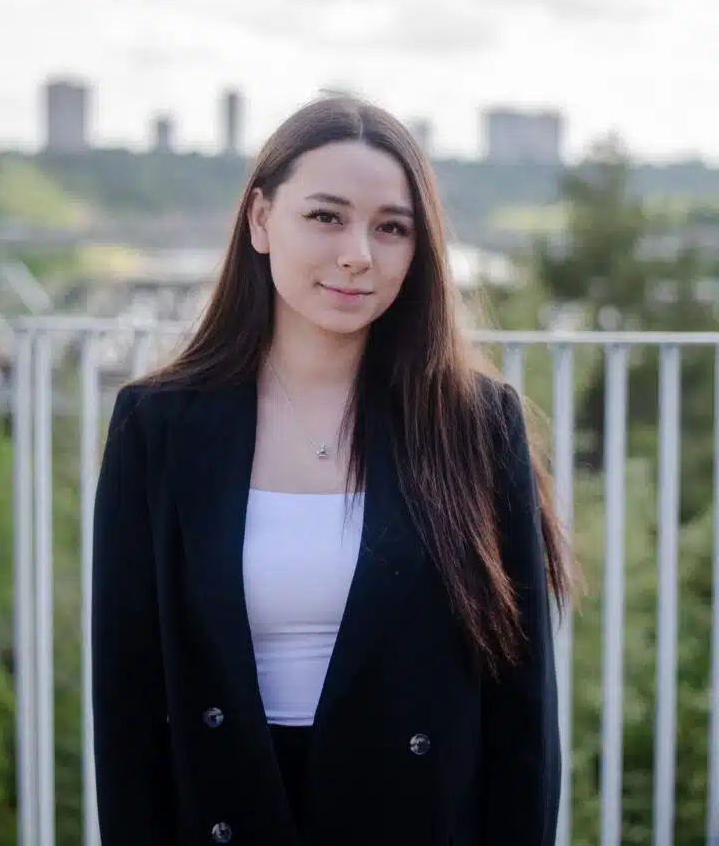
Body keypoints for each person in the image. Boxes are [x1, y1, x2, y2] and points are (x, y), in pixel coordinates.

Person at [92, 95, 572, 846]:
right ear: (260, 220)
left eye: (391, 227)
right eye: (325, 216)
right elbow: (127, 710)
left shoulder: (475, 424)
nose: (359, 253)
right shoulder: (158, 425)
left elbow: (522, 716)